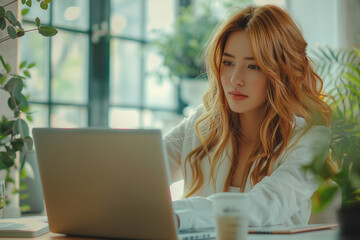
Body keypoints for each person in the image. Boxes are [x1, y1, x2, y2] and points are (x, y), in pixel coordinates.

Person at [163, 4, 332, 231]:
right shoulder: (201, 123)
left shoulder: (310, 140)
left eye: (253, 66)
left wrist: (177, 216)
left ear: (281, 72)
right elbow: (143, 169)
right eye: (228, 62)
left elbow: (262, 207)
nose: (235, 79)